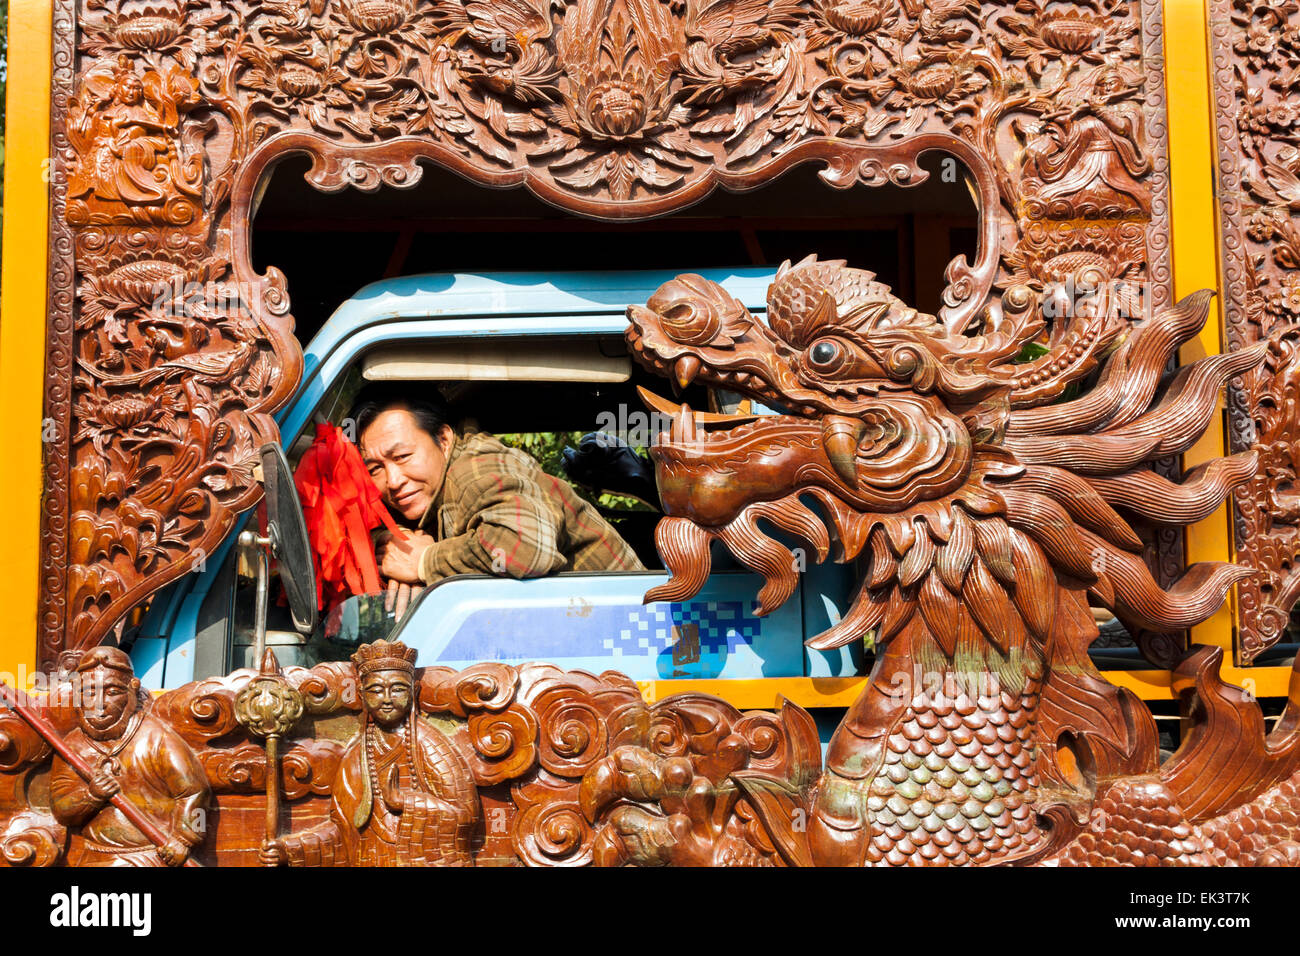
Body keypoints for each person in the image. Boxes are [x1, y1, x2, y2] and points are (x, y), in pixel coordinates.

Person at [350, 385, 645, 616]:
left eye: (402, 456)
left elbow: (526, 548)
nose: (392, 481)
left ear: (444, 439)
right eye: (375, 469)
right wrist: (393, 541)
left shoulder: (475, 468)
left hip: (630, 629)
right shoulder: (429, 492)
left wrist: (425, 561)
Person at [259, 639, 480, 866]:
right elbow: (343, 831)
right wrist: (290, 850)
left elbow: (465, 815)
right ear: (362, 695)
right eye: (376, 690)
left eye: (398, 689)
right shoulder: (357, 756)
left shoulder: (430, 746)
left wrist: (405, 802)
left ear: (413, 692)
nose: (387, 699)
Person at [48, 646, 210, 867]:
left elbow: (196, 791)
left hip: (148, 856)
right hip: (95, 857)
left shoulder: (155, 738)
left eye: (113, 692)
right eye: (90, 693)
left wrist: (184, 839)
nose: (100, 703)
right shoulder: (73, 745)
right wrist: (90, 796)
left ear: (132, 690)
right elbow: (61, 810)